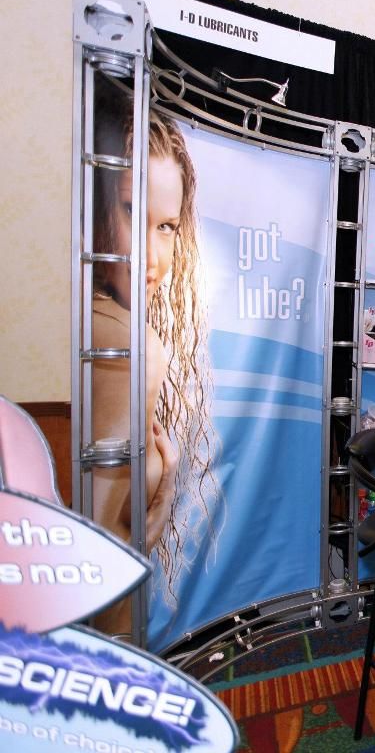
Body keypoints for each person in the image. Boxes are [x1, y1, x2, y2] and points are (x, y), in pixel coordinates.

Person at [91, 101, 220, 636]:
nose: (151, 257)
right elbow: (92, 567)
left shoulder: (116, 328)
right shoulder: (127, 345)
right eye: (129, 211)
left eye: (166, 226)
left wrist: (160, 499)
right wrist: (159, 509)